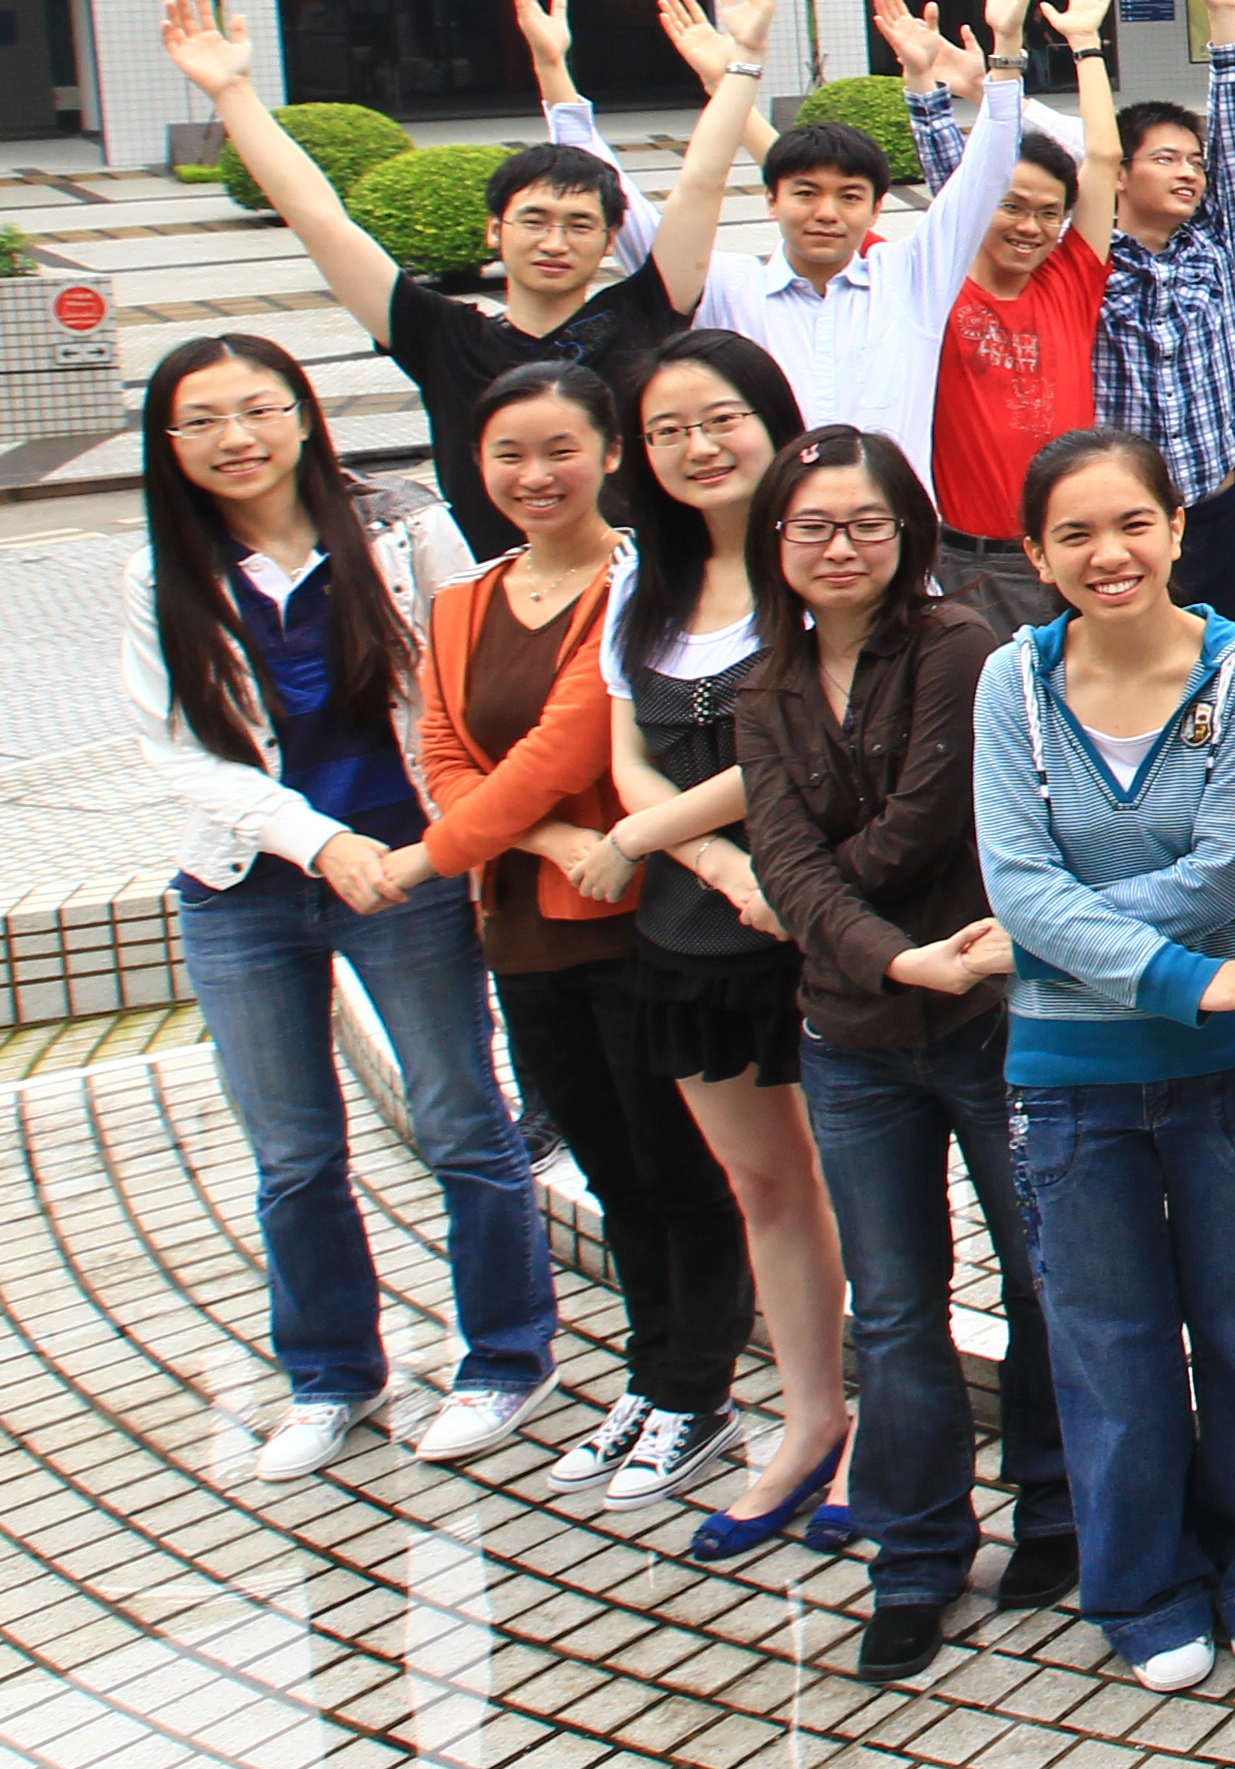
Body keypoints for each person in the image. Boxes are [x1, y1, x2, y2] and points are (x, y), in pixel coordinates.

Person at [126, 335, 551, 1482]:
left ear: (305, 417)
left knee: (463, 1122)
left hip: (408, 876)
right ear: (169, 444)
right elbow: (182, 754)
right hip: (244, 891)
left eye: (258, 409)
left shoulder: (401, 534)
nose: (236, 438)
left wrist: (450, 841)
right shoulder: (162, 572)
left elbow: (466, 683)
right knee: (293, 1155)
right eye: (202, 421)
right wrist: (321, 844)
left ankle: (507, 1357)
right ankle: (331, 1378)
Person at [973, 423, 1235, 1690]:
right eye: (1073, 534)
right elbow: (1014, 878)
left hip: (1229, 1066)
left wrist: (1055, 937)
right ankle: (1143, 1588)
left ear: (1179, 529)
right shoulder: (1011, 685)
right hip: (1069, 1078)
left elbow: (1228, 868)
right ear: (1035, 555)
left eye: (1133, 523)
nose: (1108, 553)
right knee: (1106, 1346)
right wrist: (1170, 972)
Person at [733, 423, 1073, 1682]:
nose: (841, 547)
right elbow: (782, 862)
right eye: (814, 526)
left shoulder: (957, 647)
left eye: (867, 523)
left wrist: (837, 914)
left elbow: (925, 819)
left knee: (1041, 1277)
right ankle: (919, 1556)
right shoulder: (761, 689)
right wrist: (885, 955)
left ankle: (1059, 1508)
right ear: (776, 541)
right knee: (892, 1308)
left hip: (986, 1017)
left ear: (908, 532)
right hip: (856, 1038)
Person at [408, 362, 757, 1508]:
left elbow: (561, 751)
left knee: (674, 1166)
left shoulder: (638, 587)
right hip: (523, 926)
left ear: (611, 454)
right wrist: (549, 844)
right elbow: (443, 756)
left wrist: (434, 854)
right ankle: (651, 1381)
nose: (535, 475)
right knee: (607, 1168)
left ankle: (695, 1388)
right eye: (508, 454)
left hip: (630, 921)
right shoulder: (462, 601)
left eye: (560, 449)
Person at [159, 0, 762, 558]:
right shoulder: (441, 337)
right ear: (494, 230)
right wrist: (232, 93)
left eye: (579, 225)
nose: (555, 242)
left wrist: (744, 61)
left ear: (610, 242)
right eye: (534, 221)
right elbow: (320, 220)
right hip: (491, 596)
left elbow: (702, 182)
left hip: (639, 593)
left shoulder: (643, 314)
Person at [592, 332, 853, 1555]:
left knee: (871, 1183)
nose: (698, 448)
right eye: (667, 431)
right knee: (764, 1187)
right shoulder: (639, 582)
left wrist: (655, 836)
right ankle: (811, 1419)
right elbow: (625, 754)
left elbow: (815, 733)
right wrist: (710, 860)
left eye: (720, 419)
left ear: (772, 418)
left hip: (822, 924)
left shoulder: (824, 558)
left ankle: (892, 1428)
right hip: (696, 931)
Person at [699, 0, 1038, 473]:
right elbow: (646, 220)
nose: (826, 213)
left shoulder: (910, 280)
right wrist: (737, 71)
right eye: (805, 193)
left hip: (894, 522)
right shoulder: (730, 290)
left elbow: (985, 176)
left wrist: (1007, 49)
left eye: (850, 196)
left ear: (878, 207)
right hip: (779, 522)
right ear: (771, 200)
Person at [912, 0, 1121, 631]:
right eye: (1011, 206)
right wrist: (982, 60)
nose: (1030, 226)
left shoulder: (1069, 281)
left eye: (1048, 213)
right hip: (970, 563)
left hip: (1074, 554)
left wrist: (1085, 46)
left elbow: (1104, 159)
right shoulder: (935, 288)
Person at [1091, 0, 1235, 622]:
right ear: (1118, 174)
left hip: (1219, 507)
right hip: (1126, 522)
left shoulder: (1211, 243)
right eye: (1166, 159)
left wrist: (1224, 17)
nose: (1188, 173)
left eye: (1194, 162)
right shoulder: (1086, 265)